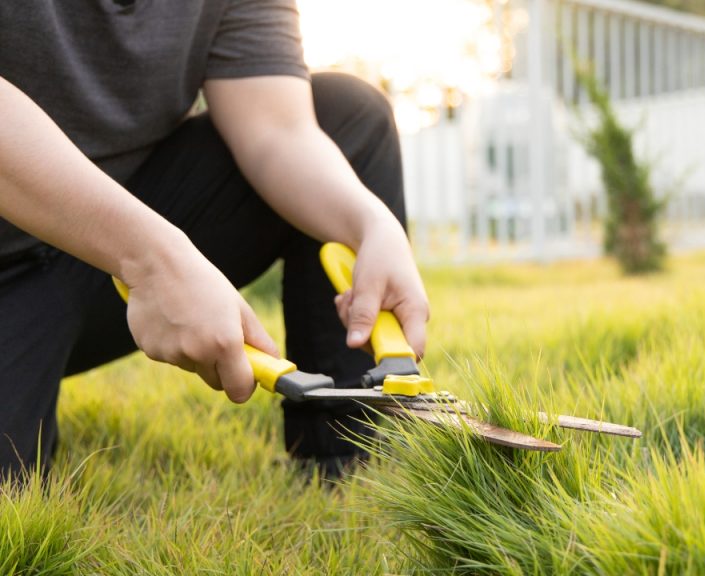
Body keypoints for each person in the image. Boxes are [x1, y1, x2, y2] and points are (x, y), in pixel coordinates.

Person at [0, 0, 429, 479]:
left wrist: (371, 223)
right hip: (52, 250)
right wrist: (150, 258)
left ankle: (349, 466)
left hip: (94, 255)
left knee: (349, 119)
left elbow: (277, 130)